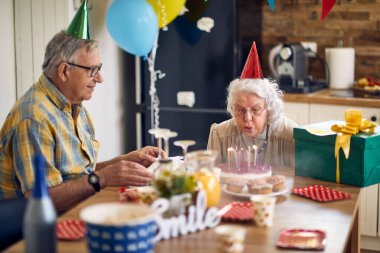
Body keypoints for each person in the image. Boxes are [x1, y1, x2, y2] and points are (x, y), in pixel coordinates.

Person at [0, 1, 160, 213]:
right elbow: (39, 202)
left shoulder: (73, 104)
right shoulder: (34, 118)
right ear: (64, 71)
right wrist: (104, 177)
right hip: (31, 231)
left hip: (74, 209)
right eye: (92, 70)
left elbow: (78, 175)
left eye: (99, 69)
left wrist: (122, 164)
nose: (100, 78)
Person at [207, 42, 297, 168]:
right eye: (240, 109)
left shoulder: (290, 134)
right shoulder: (219, 134)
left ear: (270, 109)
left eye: (256, 109)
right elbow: (212, 179)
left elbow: (300, 182)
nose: (247, 118)